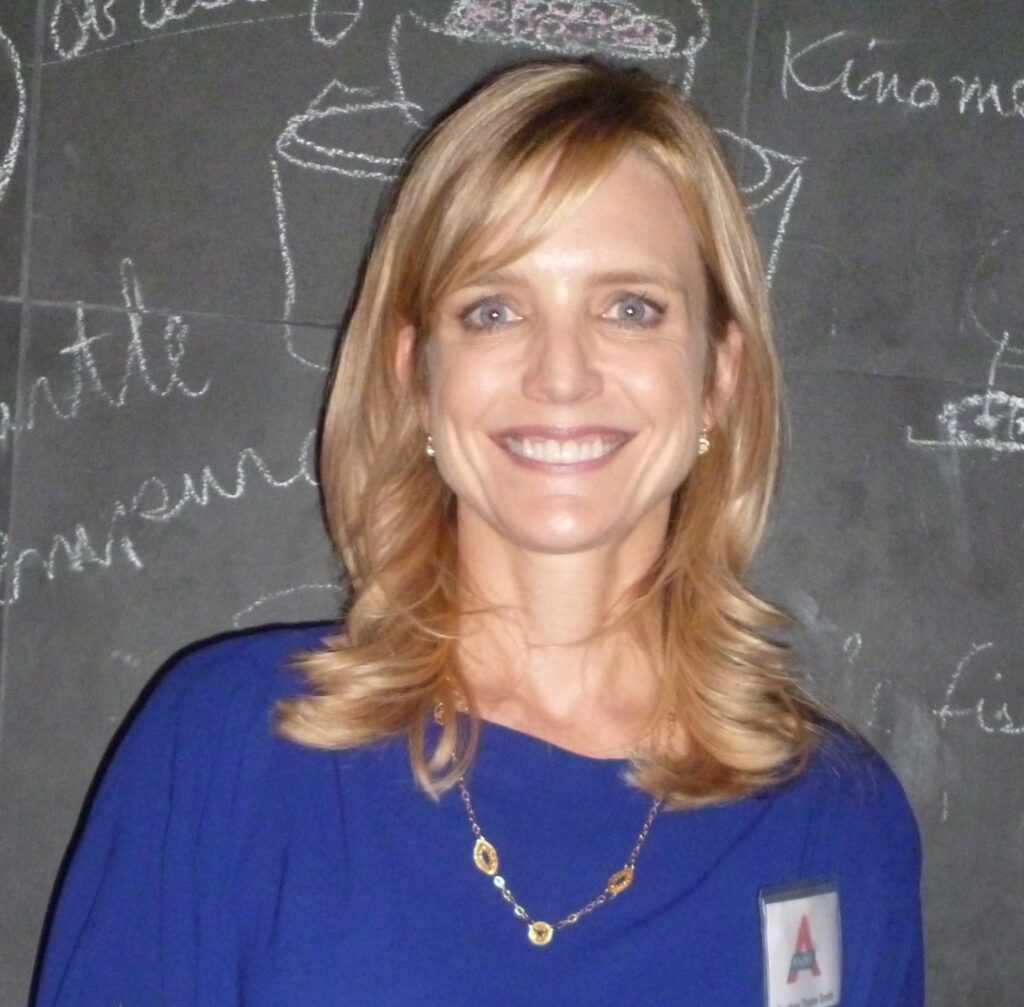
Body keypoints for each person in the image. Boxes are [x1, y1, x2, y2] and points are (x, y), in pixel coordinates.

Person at [35, 59, 923, 1005]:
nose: (562, 373)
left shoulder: (837, 822)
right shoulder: (226, 748)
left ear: (718, 375)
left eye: (630, 307)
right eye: (493, 310)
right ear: (416, 375)